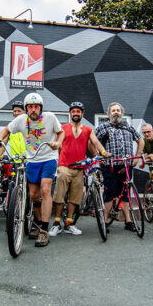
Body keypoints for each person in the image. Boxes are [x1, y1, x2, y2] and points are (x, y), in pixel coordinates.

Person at [0, 92, 63, 247]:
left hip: (49, 158)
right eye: (30, 107)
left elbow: (61, 132)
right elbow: (6, 130)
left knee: (45, 190)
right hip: (32, 160)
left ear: (41, 108)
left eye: (36, 107)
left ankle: (44, 230)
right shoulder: (20, 120)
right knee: (33, 195)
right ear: (27, 109)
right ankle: (38, 222)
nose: (33, 109)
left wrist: (58, 142)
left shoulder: (50, 117)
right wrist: (0, 140)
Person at [50, 100, 108, 236]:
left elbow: (95, 142)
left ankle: (69, 224)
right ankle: (56, 224)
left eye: (78, 111)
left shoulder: (88, 130)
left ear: (82, 114)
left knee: (74, 198)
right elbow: (58, 145)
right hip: (64, 166)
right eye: (73, 111)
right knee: (59, 196)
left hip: (80, 169)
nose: (76, 113)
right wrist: (60, 160)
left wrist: (103, 152)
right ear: (70, 113)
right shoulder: (63, 128)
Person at [94, 102, 144, 232]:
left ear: (121, 113)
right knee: (109, 192)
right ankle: (105, 220)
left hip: (126, 165)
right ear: (109, 113)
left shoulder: (128, 127)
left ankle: (128, 221)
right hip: (110, 165)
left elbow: (140, 140)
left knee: (126, 192)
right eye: (113, 110)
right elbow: (91, 142)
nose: (116, 112)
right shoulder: (102, 127)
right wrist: (98, 156)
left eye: (118, 110)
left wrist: (137, 156)